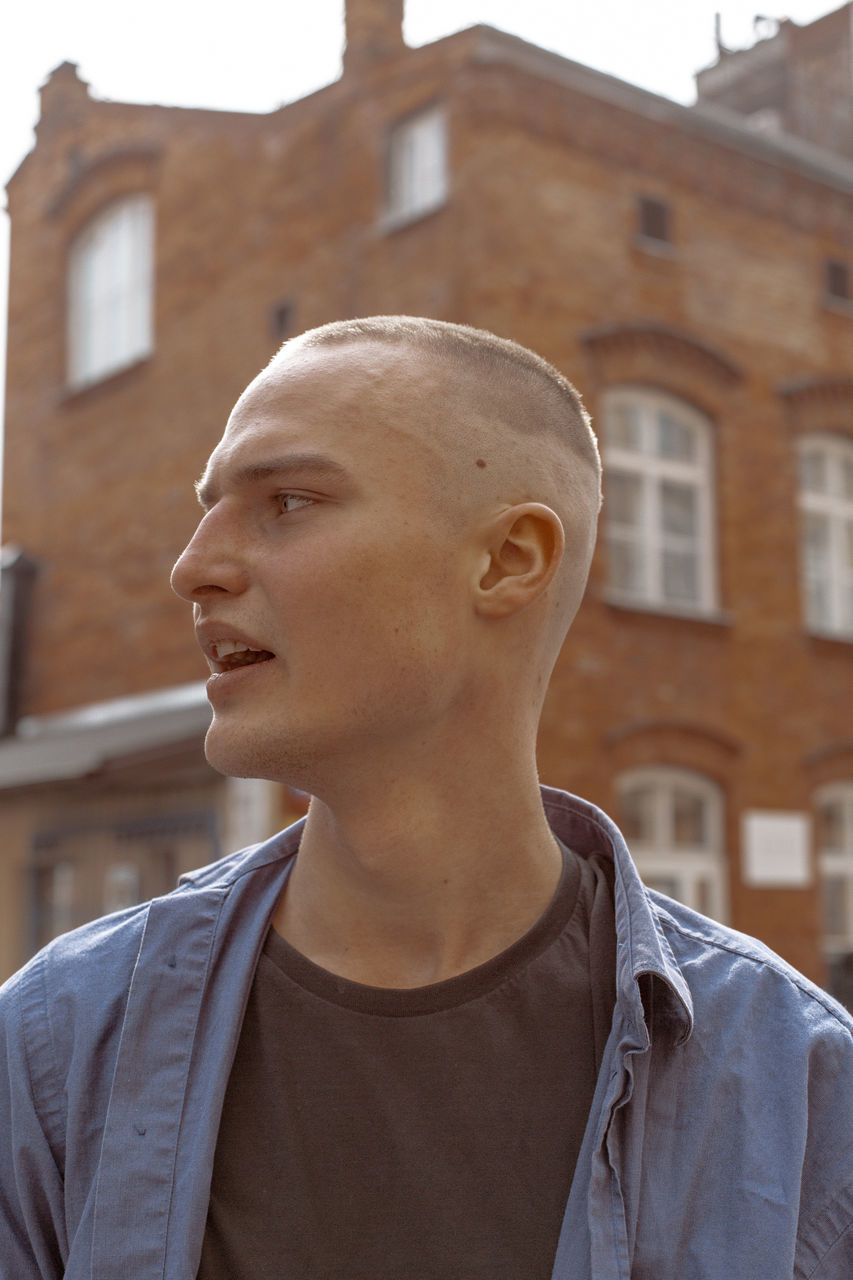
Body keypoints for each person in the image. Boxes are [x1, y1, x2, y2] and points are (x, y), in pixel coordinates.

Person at [1, 316, 852, 1280]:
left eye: (286, 501)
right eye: (208, 509)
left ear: (507, 561)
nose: (192, 567)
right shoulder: (57, 1047)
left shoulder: (802, 1092)